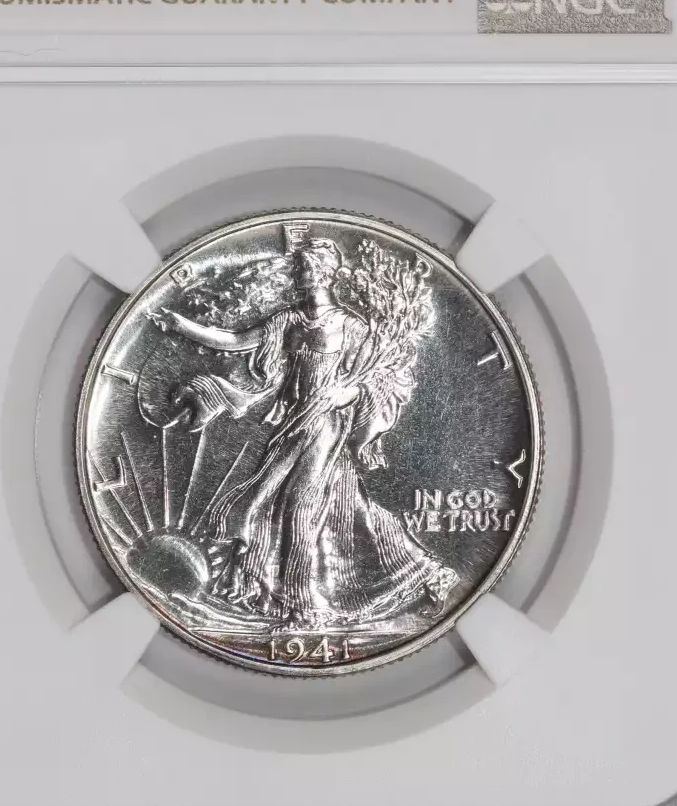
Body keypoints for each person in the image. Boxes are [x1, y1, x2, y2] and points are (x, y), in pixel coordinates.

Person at [150, 238, 456, 630]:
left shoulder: (351, 326)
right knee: (327, 508)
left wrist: (349, 392)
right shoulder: (288, 320)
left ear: (327, 274)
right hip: (294, 425)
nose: (301, 273)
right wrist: (182, 325)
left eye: (308, 267)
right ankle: (425, 575)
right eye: (300, 267)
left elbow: (381, 377)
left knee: (300, 507)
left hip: (327, 424)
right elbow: (235, 341)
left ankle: (306, 604)